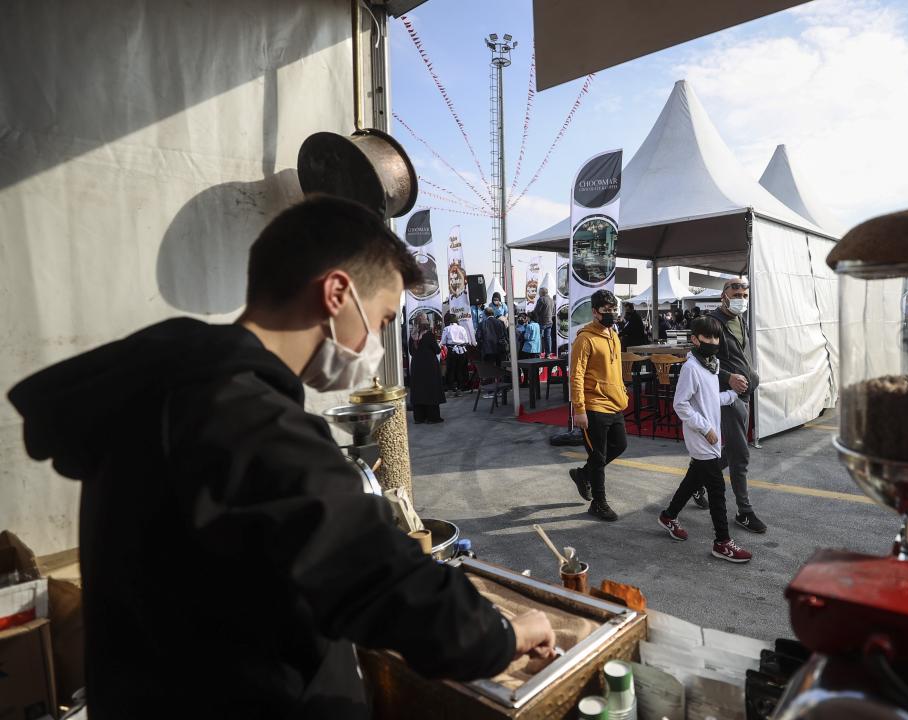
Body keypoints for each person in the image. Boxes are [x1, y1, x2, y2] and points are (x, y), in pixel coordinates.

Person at [7, 196, 554, 718]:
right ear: (336, 293)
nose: (377, 344)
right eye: (384, 320)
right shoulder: (242, 417)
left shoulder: (167, 393)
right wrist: (503, 633)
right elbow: (380, 578)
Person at [658, 317, 753, 563]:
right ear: (695, 339)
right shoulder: (691, 368)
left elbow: (709, 399)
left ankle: (669, 515)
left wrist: (732, 394)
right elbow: (680, 404)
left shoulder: (712, 365)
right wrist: (705, 428)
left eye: (716, 337)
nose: (713, 341)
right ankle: (722, 542)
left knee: (693, 480)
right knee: (717, 488)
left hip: (711, 436)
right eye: (707, 337)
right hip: (701, 437)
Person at [703, 277, 767, 534]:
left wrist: (752, 376)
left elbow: (743, 353)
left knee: (732, 450)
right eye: (736, 293)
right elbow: (701, 360)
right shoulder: (712, 323)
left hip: (745, 392)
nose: (741, 298)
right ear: (724, 295)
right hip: (728, 394)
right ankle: (744, 511)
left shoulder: (740, 319)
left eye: (744, 295)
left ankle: (698, 479)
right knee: (740, 453)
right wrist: (727, 377)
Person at [567, 289, 628, 521]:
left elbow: (615, 369)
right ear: (595, 312)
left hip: (615, 404)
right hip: (594, 406)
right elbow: (576, 375)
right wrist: (579, 409)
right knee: (598, 456)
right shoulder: (584, 339)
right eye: (606, 310)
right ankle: (599, 503)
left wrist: (622, 391)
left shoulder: (613, 335)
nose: (611, 313)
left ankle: (583, 474)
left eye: (613, 309)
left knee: (620, 445)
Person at [410, 326, 445, 423]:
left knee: (418, 390)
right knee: (431, 390)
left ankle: (419, 417)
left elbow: (411, 352)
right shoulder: (429, 335)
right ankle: (432, 417)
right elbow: (437, 350)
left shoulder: (412, 336)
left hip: (416, 366)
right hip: (429, 366)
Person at [440, 312, 473, 397]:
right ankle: (459, 389)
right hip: (462, 351)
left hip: (452, 351)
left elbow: (443, 341)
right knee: (460, 369)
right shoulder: (462, 328)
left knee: (451, 370)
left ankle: (451, 390)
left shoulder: (447, 328)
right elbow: (466, 341)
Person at [533, 286, 555, 356]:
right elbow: (553, 311)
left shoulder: (541, 299)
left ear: (542, 292)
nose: (538, 293)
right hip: (550, 321)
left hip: (542, 321)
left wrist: (530, 313)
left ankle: (538, 353)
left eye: (539, 292)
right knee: (548, 338)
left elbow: (536, 311)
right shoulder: (551, 300)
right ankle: (548, 353)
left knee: (539, 338)